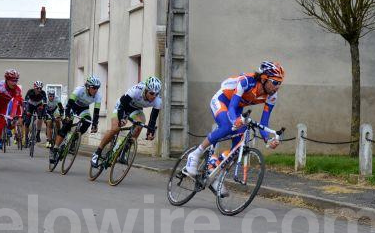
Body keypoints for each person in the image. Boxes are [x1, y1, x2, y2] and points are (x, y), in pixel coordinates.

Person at [182, 61, 284, 196]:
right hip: (222, 101)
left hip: (236, 108)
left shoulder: (272, 96)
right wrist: (235, 121)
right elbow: (231, 108)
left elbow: (264, 122)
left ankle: (215, 171)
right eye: (275, 82)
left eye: (280, 83)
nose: (277, 87)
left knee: (239, 147)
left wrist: (267, 140)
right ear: (264, 78)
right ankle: (194, 155)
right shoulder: (246, 82)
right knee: (226, 126)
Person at [91, 76, 162, 168]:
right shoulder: (136, 90)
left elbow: (153, 118)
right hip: (123, 106)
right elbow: (121, 106)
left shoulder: (158, 100)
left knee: (140, 124)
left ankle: (124, 152)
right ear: (146, 90)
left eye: (156, 94)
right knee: (116, 128)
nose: (154, 96)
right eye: (151, 93)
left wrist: (150, 132)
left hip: (136, 109)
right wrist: (121, 118)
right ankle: (97, 153)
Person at [50, 75, 101, 164]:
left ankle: (74, 139)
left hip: (84, 109)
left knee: (87, 122)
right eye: (94, 88)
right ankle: (55, 149)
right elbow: (69, 105)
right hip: (72, 107)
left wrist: (95, 124)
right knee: (67, 124)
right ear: (88, 87)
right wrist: (68, 115)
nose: (96, 90)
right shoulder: (79, 90)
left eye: (97, 88)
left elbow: (96, 112)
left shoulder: (98, 96)